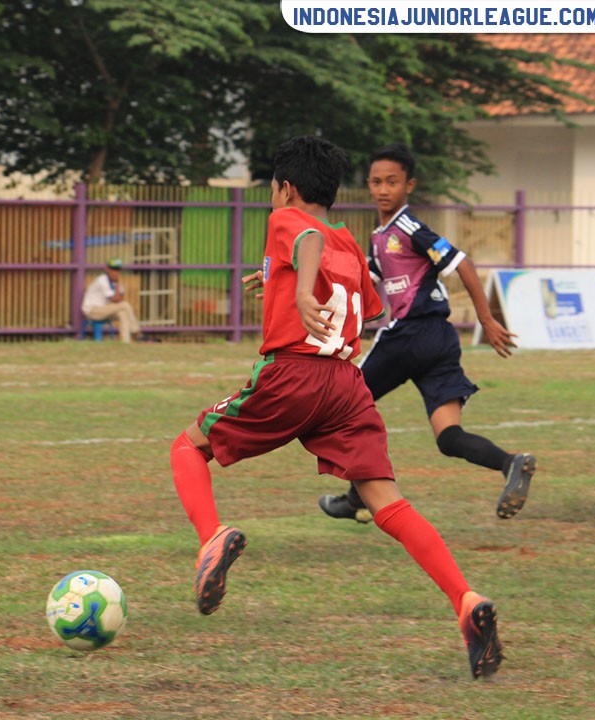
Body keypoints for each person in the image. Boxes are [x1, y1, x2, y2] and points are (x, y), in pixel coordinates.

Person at [169, 135, 503, 679]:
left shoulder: (290, 219)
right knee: (386, 502)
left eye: (276, 191)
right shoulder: (349, 242)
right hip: (347, 387)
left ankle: (211, 538)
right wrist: (281, 280)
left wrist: (299, 290)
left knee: (187, 446)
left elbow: (302, 239)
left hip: (294, 374)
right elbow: (364, 300)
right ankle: (465, 601)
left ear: (286, 187)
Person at [318, 143, 536, 525]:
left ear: (409, 185)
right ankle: (511, 463)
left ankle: (357, 497)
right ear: (368, 185)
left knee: (345, 404)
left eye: (392, 182)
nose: (383, 189)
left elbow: (462, 262)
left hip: (411, 334)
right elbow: (361, 281)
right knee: (449, 438)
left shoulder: (409, 228)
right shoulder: (381, 235)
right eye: (376, 182)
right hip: (439, 340)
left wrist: (486, 319)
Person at [81, 258, 143, 343]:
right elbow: (115, 300)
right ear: (107, 269)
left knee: (123, 313)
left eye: (117, 269)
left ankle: (125, 342)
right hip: (92, 310)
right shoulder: (102, 280)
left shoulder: (115, 282)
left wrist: (117, 284)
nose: (116, 272)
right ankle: (136, 332)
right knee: (125, 305)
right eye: (113, 269)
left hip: (103, 310)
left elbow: (120, 298)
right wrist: (118, 285)